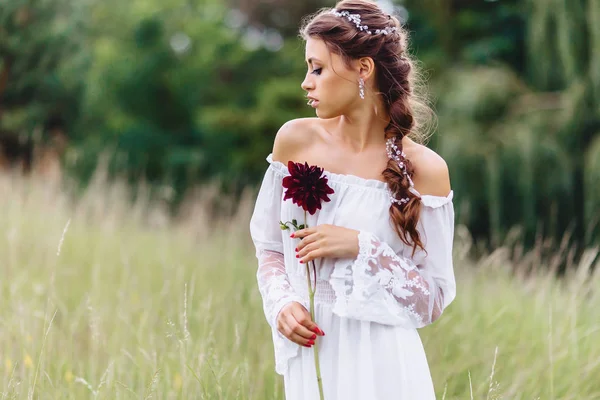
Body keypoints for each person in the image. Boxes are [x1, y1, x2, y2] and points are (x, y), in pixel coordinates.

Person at [249, 1, 456, 398]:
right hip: (313, 348)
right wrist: (281, 304)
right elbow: (271, 248)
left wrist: (362, 247)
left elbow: (431, 301)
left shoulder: (426, 170)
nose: (306, 82)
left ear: (363, 69)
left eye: (318, 68)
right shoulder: (294, 140)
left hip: (385, 362)